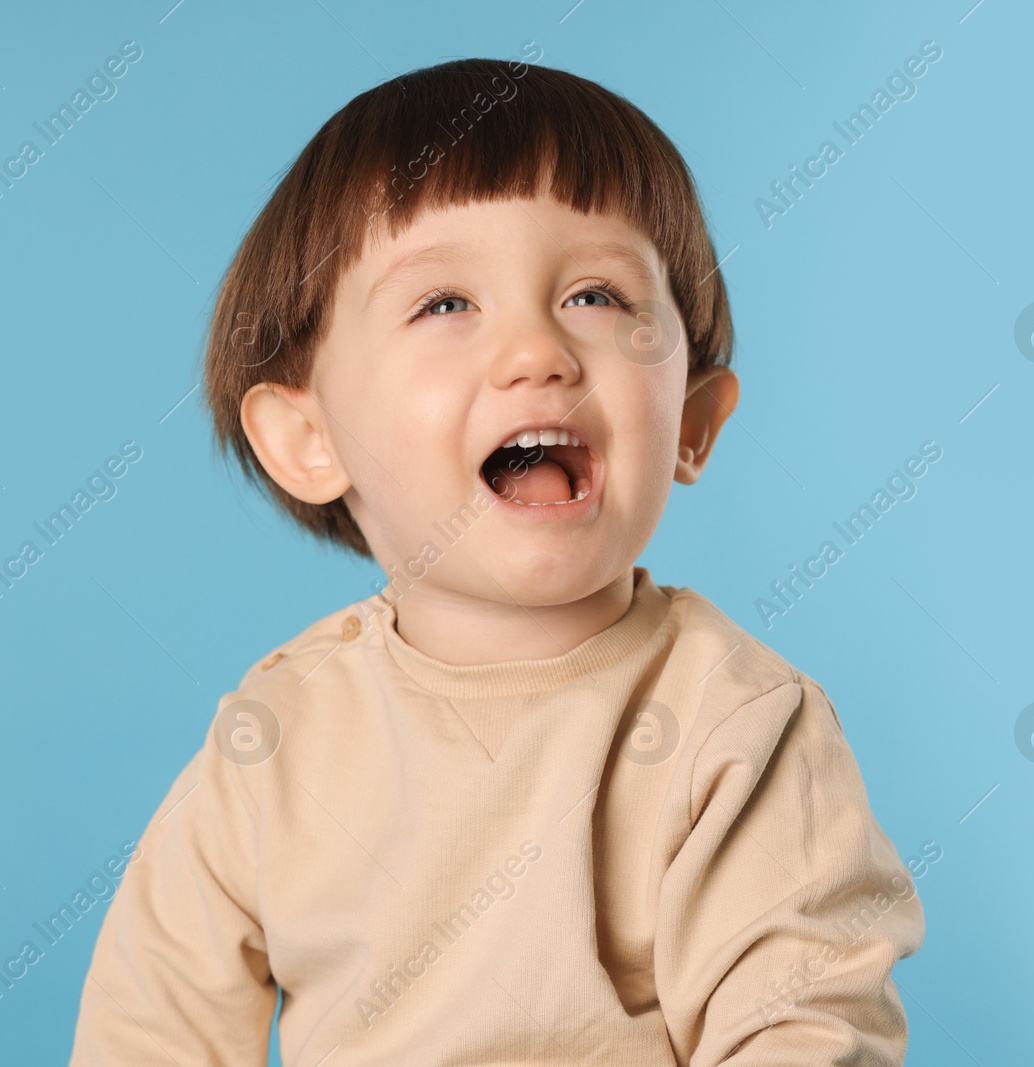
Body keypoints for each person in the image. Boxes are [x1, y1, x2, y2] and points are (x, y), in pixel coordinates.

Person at [68, 53, 924, 1066]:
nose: (538, 352)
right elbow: (149, 1029)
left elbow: (804, 1024)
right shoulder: (276, 738)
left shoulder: (733, 721)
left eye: (597, 296)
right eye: (445, 304)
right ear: (310, 438)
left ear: (692, 421)